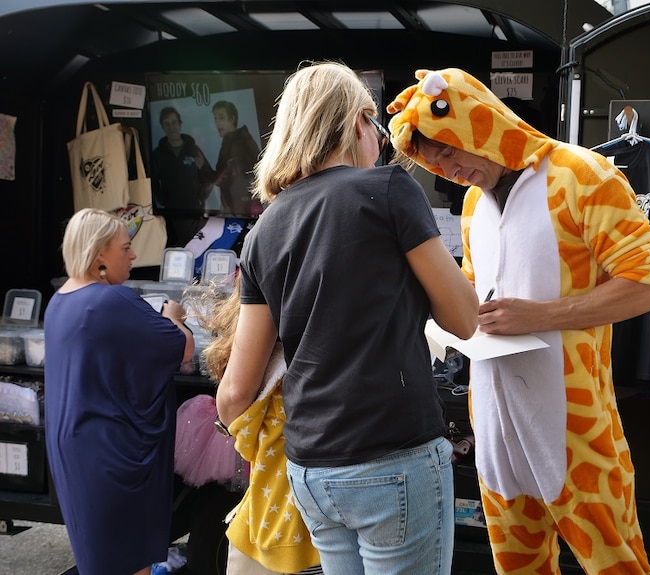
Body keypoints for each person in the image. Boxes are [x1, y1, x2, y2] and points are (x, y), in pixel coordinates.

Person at [387, 68, 650, 575]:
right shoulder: (473, 203)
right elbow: (476, 294)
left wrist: (540, 316)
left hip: (575, 427)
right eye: (434, 164)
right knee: (516, 567)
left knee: (616, 565)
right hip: (494, 426)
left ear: (478, 123)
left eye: (449, 152)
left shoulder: (585, 174)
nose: (448, 171)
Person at [215, 61, 479, 575]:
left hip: (310, 468)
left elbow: (234, 391)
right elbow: (464, 320)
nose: (379, 143)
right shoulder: (389, 190)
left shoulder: (265, 228)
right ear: (359, 121)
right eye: (377, 130)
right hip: (393, 454)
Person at [43, 208, 194, 575]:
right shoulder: (111, 301)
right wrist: (173, 315)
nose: (133, 256)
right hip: (113, 454)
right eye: (125, 247)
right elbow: (182, 348)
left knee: (100, 557)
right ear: (99, 255)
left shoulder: (59, 300)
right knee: (129, 561)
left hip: (76, 448)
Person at [199, 281, 322, 575]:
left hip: (271, 525)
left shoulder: (269, 371)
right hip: (326, 531)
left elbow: (234, 397)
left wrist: (229, 426)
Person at [151, 106, 217, 213]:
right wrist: (164, 201)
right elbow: (153, 183)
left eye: (174, 122)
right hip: (171, 214)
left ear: (180, 124)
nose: (171, 127)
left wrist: (200, 198)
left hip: (196, 212)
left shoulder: (193, 150)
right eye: (166, 124)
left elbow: (210, 178)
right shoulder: (158, 154)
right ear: (163, 127)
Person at [212, 100, 263, 216]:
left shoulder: (238, 142)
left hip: (243, 209)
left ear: (232, 119)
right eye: (215, 118)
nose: (217, 123)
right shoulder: (231, 141)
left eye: (221, 118)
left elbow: (249, 173)